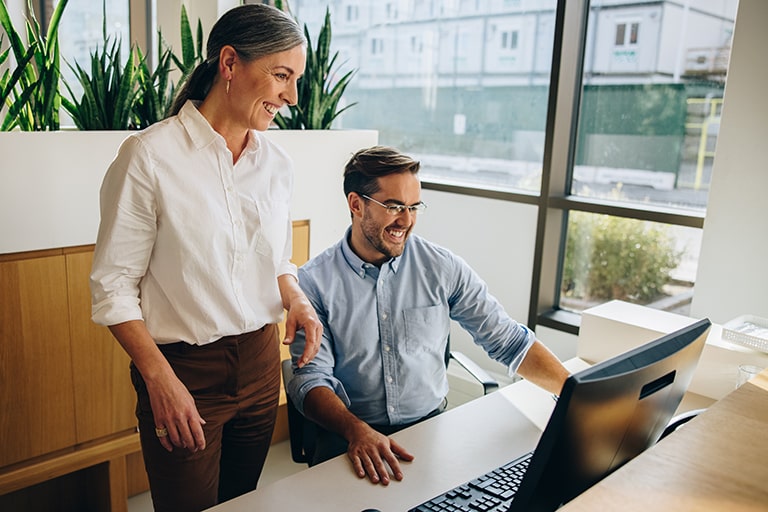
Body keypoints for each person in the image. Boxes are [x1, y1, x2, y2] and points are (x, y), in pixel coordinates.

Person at [89, 5, 322, 511]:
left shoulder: (277, 164)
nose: (292, 96)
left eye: (296, 79)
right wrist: (160, 380)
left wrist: (297, 297)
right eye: (282, 75)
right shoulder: (148, 157)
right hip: (184, 370)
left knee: (240, 503)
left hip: (261, 365)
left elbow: (277, 260)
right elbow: (112, 289)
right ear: (230, 63)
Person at [286, 146, 570, 486]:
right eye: (393, 207)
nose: (406, 221)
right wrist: (356, 430)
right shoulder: (315, 281)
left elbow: (507, 340)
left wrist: (575, 395)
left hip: (430, 433)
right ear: (356, 204)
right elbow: (310, 379)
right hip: (348, 437)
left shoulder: (441, 267)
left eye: (413, 207)